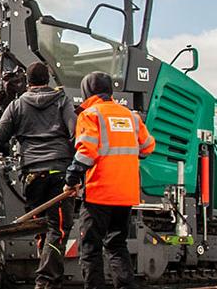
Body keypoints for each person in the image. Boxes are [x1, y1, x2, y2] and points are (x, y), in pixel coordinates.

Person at [0, 62, 76, 289]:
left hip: (31, 174)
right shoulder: (62, 101)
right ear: (48, 79)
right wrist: (79, 171)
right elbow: (75, 133)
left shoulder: (16, 106)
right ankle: (47, 281)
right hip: (59, 172)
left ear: (27, 82)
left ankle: (47, 276)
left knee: (41, 226)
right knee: (57, 229)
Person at [64, 72, 155, 289]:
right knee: (117, 245)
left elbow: (87, 152)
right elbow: (148, 147)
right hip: (125, 195)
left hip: (100, 193)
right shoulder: (131, 117)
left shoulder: (90, 114)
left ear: (87, 91)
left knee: (91, 248)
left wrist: (72, 177)